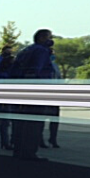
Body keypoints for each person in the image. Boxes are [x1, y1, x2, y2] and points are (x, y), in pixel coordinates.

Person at [8, 29, 56, 160]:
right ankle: (29, 153)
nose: (51, 41)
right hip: (34, 93)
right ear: (41, 38)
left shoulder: (26, 50)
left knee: (21, 124)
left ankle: (19, 151)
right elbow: (36, 71)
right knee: (34, 125)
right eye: (49, 37)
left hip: (21, 92)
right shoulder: (41, 51)